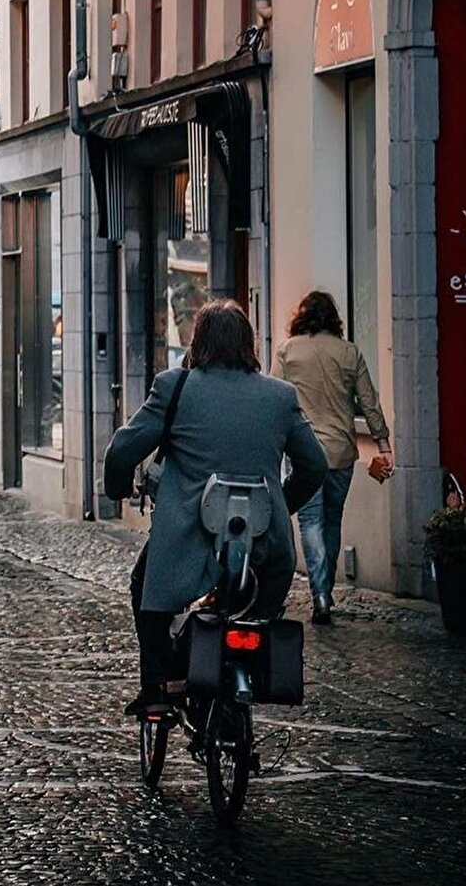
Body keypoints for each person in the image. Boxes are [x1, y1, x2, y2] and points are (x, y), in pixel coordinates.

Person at [104, 299, 326, 714]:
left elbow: (122, 450)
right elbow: (314, 466)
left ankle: (158, 687)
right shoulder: (280, 396)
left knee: (143, 584)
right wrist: (279, 507)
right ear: (248, 343)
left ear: (198, 341)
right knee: (254, 618)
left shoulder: (176, 386)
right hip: (264, 545)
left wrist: (117, 488)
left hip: (188, 538)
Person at [274, 290, 394, 625]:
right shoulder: (349, 352)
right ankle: (324, 588)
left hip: (303, 452)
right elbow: (369, 402)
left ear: (302, 316)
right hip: (341, 451)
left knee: (311, 522)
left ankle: (321, 595)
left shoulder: (287, 351)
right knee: (332, 521)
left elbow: (274, 399)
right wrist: (383, 443)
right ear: (334, 319)